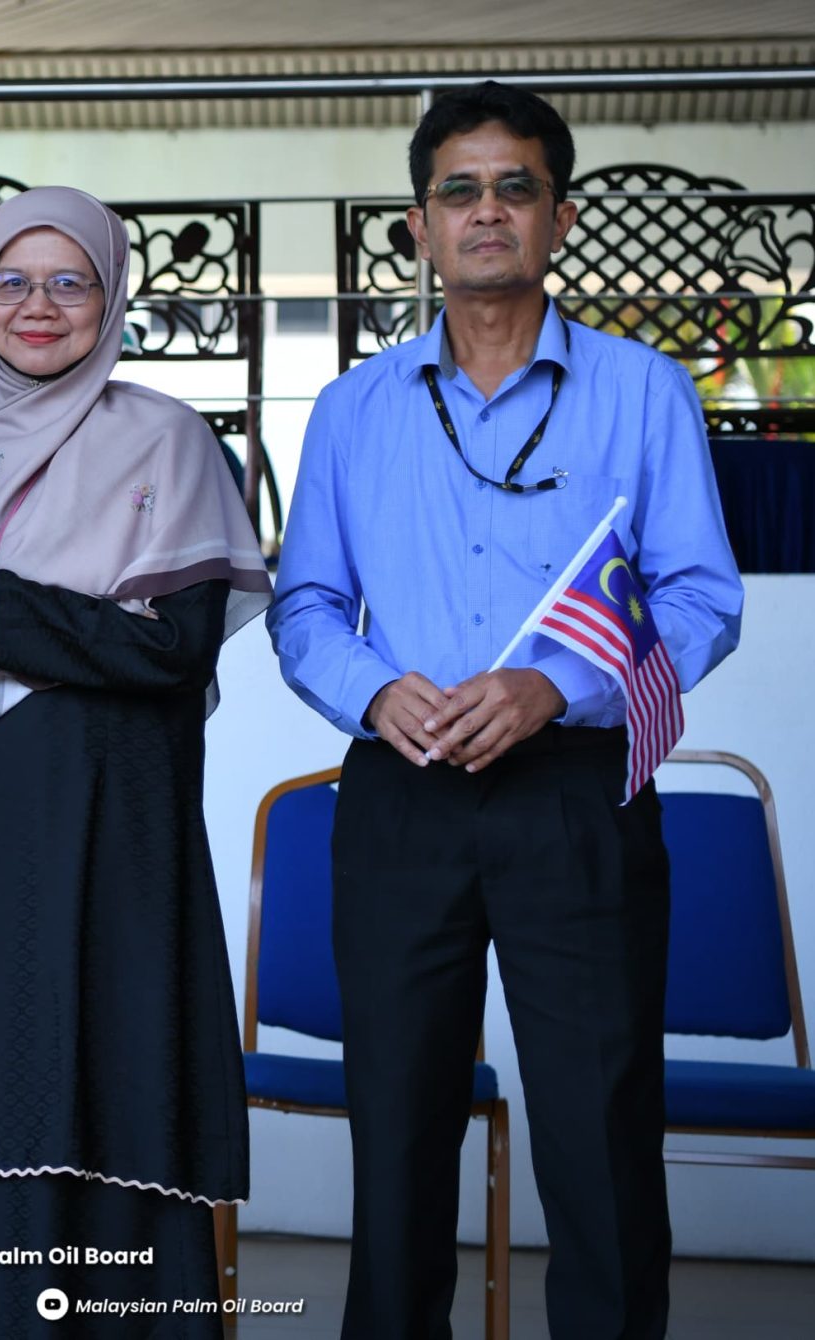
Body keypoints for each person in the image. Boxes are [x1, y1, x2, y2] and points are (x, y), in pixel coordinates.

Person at [268, 81, 743, 1339]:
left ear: (560, 217)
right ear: (418, 228)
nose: (488, 213)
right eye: (459, 192)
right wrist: (374, 692)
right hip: (399, 799)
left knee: (599, 1133)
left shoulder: (647, 392)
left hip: (577, 800)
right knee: (401, 1131)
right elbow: (304, 603)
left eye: (515, 188)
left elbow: (701, 597)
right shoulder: (354, 409)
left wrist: (559, 684)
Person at [0, 186, 272, 1335]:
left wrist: (1, 598)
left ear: (112, 297)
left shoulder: (165, 438)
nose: (38, 305)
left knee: (110, 1086)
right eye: (11, 280)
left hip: (109, 824)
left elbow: (174, 648)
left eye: (69, 280)